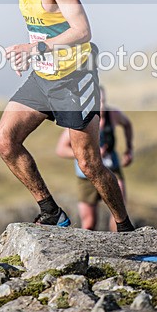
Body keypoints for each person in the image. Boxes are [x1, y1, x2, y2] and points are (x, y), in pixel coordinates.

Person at [0, 0, 134, 232]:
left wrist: (35, 51)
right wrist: (29, 53)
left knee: (90, 165)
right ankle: (51, 211)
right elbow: (45, 25)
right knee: (4, 141)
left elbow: (82, 30)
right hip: (43, 77)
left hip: (74, 81)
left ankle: (125, 227)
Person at [56, 86, 133, 231]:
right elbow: (61, 149)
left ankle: (120, 244)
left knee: (120, 213)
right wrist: (89, 153)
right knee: (89, 223)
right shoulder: (79, 121)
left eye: (103, 101)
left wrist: (129, 149)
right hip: (86, 176)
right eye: (97, 102)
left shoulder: (113, 115)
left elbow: (127, 124)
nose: (101, 106)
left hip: (112, 169)